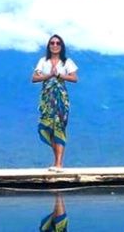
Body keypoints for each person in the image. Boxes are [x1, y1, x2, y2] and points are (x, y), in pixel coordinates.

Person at [32, 34, 78, 170]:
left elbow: (74, 78)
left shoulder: (66, 62)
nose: (55, 45)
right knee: (47, 128)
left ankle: (59, 163)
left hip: (60, 99)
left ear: (61, 46)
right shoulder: (43, 61)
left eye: (58, 43)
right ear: (49, 46)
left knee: (59, 127)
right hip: (47, 99)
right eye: (52, 43)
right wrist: (49, 75)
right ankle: (56, 160)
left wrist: (59, 75)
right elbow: (34, 78)